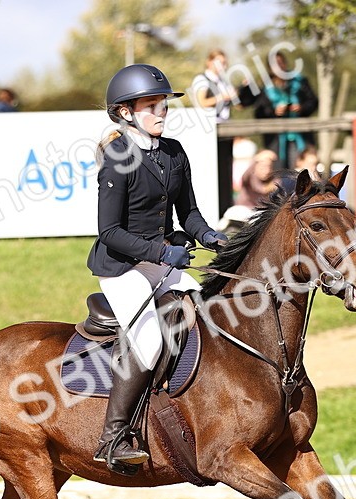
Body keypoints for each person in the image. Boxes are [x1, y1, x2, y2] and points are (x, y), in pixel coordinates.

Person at [87, 64, 228, 471]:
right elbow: (109, 231)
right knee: (149, 340)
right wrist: (164, 254)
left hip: (159, 260)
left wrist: (211, 237)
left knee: (210, 317)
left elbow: (191, 213)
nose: (162, 112)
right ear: (126, 112)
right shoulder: (118, 158)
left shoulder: (173, 152)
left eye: (163, 104)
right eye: (152, 106)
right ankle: (112, 439)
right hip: (121, 267)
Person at [193, 49, 238, 121]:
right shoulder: (201, 79)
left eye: (224, 63)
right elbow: (201, 103)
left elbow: (237, 106)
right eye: (219, 62)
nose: (222, 66)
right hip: (208, 123)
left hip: (224, 123)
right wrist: (222, 97)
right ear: (209, 62)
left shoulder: (223, 81)